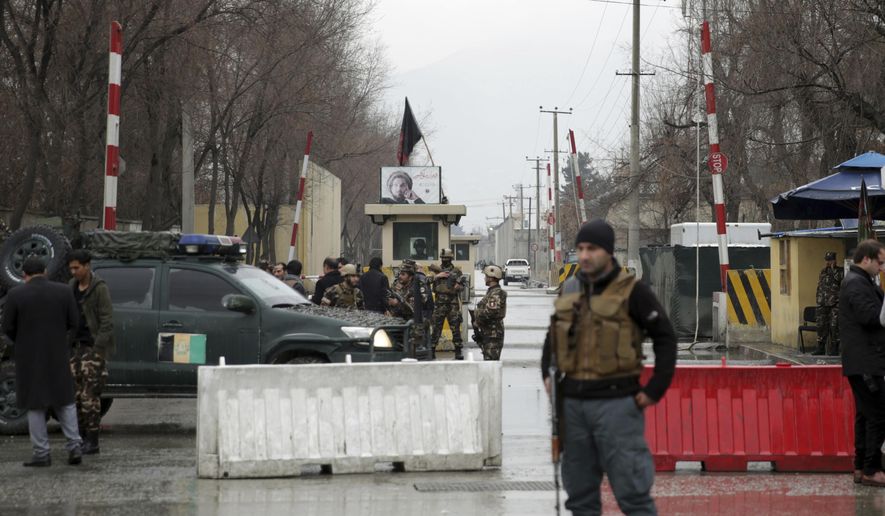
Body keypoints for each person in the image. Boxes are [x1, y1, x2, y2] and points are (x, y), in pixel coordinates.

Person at [541, 219, 677, 514]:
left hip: (616, 406)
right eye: (580, 249)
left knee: (633, 496)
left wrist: (654, 390)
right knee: (579, 498)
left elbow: (665, 338)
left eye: (591, 248)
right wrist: (546, 375)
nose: (585, 255)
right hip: (573, 407)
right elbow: (553, 337)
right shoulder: (570, 288)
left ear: (608, 251)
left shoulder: (632, 291)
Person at [1, 257, 83, 467]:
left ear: (24, 275)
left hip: (29, 357)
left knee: (35, 405)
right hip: (57, 353)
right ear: (45, 271)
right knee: (65, 401)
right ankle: (74, 447)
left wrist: (20, 343)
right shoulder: (64, 292)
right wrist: (64, 343)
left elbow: (7, 327)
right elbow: (74, 322)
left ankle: (41, 454)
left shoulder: (15, 294)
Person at [839, 239, 885, 487]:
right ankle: (872, 468)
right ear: (865, 259)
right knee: (878, 414)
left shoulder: (862, 281)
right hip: (866, 362)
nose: (882, 267)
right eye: (880, 262)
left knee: (866, 416)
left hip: (864, 360)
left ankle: (861, 466)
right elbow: (871, 316)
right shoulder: (857, 284)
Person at [67, 249, 115, 455]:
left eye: (77, 267)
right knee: (75, 396)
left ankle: (92, 440)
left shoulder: (99, 288)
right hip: (74, 348)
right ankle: (81, 437)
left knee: (90, 396)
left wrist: (98, 351)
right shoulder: (71, 287)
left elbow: (107, 321)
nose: (74, 272)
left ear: (87, 266)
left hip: (92, 349)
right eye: (71, 268)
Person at [388, 259, 431, 353]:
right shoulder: (396, 284)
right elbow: (390, 297)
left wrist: (398, 303)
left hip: (413, 322)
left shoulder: (419, 285)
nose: (400, 276)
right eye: (400, 274)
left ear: (410, 276)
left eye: (403, 274)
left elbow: (419, 303)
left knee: (415, 349)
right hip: (397, 321)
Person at [431, 248, 467, 359]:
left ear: (451, 258)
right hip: (439, 304)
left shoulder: (456, 271)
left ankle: (458, 350)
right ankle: (432, 349)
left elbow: (463, 285)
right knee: (436, 328)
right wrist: (438, 276)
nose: (444, 260)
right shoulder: (437, 270)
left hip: (453, 304)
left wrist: (458, 287)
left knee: (455, 328)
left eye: (447, 258)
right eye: (443, 258)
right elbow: (430, 284)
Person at [473, 265, 507, 360]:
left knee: (491, 364)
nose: (485, 278)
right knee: (488, 361)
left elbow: (490, 311)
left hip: (493, 334)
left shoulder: (496, 293)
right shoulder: (491, 292)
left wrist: (477, 321)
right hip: (489, 332)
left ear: (491, 278)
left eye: (486, 276)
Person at [814, 251, 843, 356]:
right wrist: (818, 299)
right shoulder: (823, 272)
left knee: (834, 326)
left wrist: (833, 270)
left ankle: (834, 348)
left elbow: (843, 287)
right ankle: (820, 347)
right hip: (822, 303)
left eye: (830, 260)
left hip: (835, 304)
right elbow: (820, 286)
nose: (828, 262)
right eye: (827, 260)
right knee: (821, 325)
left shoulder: (840, 272)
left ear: (835, 260)